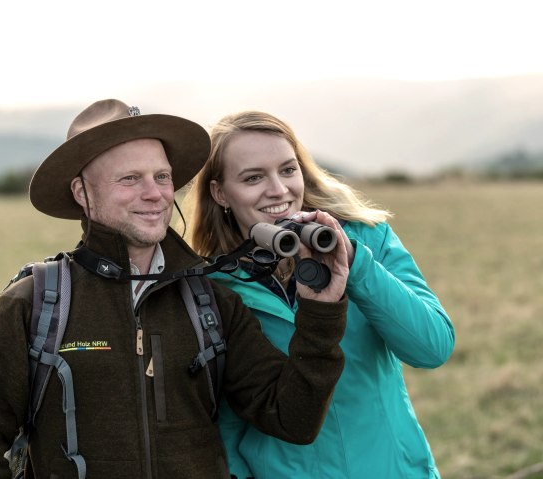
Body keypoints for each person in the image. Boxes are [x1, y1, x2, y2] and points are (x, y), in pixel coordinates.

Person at [0, 99, 351, 479]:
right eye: (129, 179)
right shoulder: (34, 305)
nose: (155, 193)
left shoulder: (212, 302)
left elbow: (293, 420)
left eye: (162, 177)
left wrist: (320, 312)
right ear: (82, 192)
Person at [187, 110, 456, 479]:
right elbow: (228, 419)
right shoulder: (215, 289)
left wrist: (356, 265)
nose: (279, 190)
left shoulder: (368, 239)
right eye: (253, 177)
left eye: (287, 169)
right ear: (220, 193)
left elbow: (432, 348)